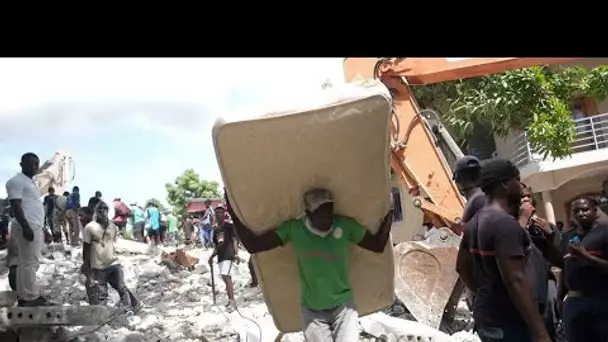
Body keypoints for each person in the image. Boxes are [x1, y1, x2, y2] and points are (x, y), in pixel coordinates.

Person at [228, 188, 393, 341]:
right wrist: (233, 213)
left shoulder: (345, 225)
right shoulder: (294, 229)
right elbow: (254, 246)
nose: (328, 218)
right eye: (322, 214)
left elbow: (377, 245)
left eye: (330, 211)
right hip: (313, 312)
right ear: (308, 214)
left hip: (344, 308)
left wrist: (389, 212)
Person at [455, 158, 550, 342]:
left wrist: (486, 291)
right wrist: (541, 333)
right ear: (506, 183)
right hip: (512, 321)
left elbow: (461, 267)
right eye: (517, 180)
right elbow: (515, 279)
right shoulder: (505, 225)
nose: (521, 187)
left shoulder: (474, 223)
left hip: (490, 315)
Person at [5, 153, 53, 306]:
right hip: (28, 225)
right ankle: (30, 296)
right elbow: (16, 205)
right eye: (32, 163)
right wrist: (26, 226)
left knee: (26, 262)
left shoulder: (30, 182)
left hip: (34, 224)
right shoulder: (16, 181)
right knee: (29, 262)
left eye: (36, 164)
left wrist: (42, 228)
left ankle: (24, 294)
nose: (35, 166)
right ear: (22, 164)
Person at [558, 197, 608, 342]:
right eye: (576, 211)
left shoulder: (604, 233)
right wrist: (561, 297)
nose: (581, 214)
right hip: (575, 302)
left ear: (594, 210)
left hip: (601, 299)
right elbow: (564, 266)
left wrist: (585, 256)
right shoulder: (568, 236)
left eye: (585, 209)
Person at [81, 201, 142, 314]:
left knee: (121, 287)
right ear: (96, 212)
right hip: (98, 266)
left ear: (107, 211)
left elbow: (113, 243)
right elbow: (86, 248)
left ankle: (129, 309)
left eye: (104, 209)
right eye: (100, 210)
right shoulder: (89, 228)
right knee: (102, 292)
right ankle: (101, 315)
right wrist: (86, 266)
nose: (102, 212)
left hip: (113, 263)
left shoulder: (113, 226)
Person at [208, 205, 238, 308]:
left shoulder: (229, 226)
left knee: (226, 276)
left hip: (228, 254)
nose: (218, 215)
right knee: (225, 277)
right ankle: (230, 300)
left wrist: (236, 254)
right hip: (220, 256)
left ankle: (232, 301)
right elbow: (217, 246)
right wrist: (211, 257)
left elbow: (234, 240)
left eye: (221, 213)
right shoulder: (216, 230)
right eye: (217, 213)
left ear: (224, 214)